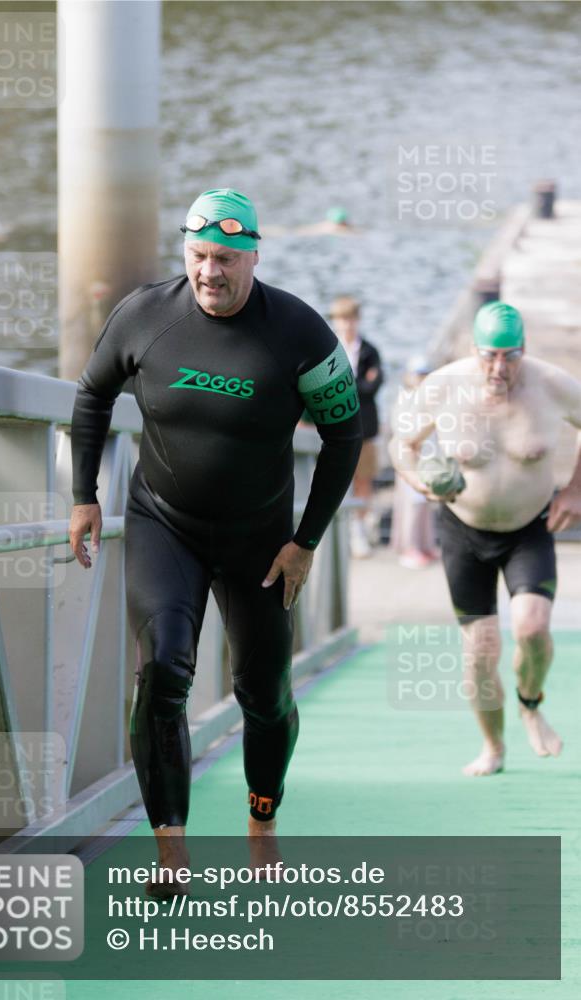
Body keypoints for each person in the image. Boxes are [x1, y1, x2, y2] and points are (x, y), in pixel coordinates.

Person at [68, 188, 362, 891]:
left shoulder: (299, 332)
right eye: (198, 256)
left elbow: (344, 435)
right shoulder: (144, 314)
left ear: (253, 256)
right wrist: (83, 496)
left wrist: (306, 540)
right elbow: (90, 394)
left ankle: (261, 820)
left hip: (261, 539)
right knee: (164, 666)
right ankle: (171, 851)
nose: (209, 272)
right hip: (163, 523)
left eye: (225, 258)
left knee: (263, 693)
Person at [389, 302, 581, 776]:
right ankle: (493, 747)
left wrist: (575, 489)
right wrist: (418, 482)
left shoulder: (552, 386)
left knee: (533, 629)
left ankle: (530, 704)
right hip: (463, 532)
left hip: (528, 529)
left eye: (510, 356)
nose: (500, 368)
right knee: (481, 652)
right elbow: (401, 444)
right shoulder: (445, 386)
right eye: (489, 355)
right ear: (474, 350)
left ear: (524, 350)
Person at [329, 295, 384, 557]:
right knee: (338, 478)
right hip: (334, 426)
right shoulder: (328, 348)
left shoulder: (370, 350)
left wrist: (347, 382)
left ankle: (360, 527)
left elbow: (373, 387)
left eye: (351, 319)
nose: (347, 325)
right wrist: (357, 382)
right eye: (342, 320)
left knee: (364, 479)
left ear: (357, 320)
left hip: (365, 427)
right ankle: (344, 527)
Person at [390, 355, 439, 568]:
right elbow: (401, 432)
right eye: (419, 374)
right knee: (411, 505)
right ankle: (409, 547)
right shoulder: (405, 399)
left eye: (425, 374)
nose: (422, 378)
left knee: (425, 505)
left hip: (429, 459)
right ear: (409, 377)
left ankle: (426, 544)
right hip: (411, 460)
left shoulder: (431, 400)